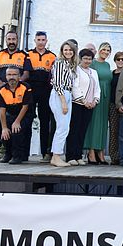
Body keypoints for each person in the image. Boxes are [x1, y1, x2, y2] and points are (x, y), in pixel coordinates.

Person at [0, 30, 31, 162]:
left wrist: (15, 84)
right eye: (9, 39)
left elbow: (26, 74)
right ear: (6, 40)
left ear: (17, 40)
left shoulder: (24, 55)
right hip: (2, 94)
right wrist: (3, 87)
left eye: (13, 39)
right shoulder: (0, 54)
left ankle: (16, 155)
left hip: (18, 95)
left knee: (17, 126)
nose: (11, 42)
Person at [65, 48, 100, 166]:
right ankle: (70, 156)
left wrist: (95, 100)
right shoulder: (76, 70)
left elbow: (97, 88)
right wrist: (84, 101)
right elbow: (75, 87)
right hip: (78, 104)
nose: (87, 61)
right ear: (80, 58)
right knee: (74, 130)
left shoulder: (94, 72)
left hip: (90, 106)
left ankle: (78, 156)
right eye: (85, 58)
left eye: (90, 59)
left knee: (82, 131)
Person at [26, 31, 56, 163]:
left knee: (45, 122)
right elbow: (25, 73)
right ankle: (24, 153)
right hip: (31, 91)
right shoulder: (28, 55)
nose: (41, 42)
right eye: (38, 40)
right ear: (35, 40)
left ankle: (45, 153)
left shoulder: (52, 56)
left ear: (46, 41)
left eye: (43, 40)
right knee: (27, 120)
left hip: (46, 91)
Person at [48, 40, 77, 168]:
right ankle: (56, 156)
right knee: (62, 127)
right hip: (60, 95)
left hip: (67, 93)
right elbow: (58, 84)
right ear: (62, 51)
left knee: (64, 127)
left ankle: (56, 156)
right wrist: (63, 102)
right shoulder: (59, 63)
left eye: (70, 50)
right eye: (65, 50)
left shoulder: (70, 65)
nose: (68, 52)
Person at [0, 66, 32, 165]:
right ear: (6, 76)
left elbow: (25, 107)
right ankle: (8, 154)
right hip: (10, 114)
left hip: (24, 114)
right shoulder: (1, 90)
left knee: (16, 130)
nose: (12, 77)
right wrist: (4, 128)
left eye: (14, 74)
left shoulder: (26, 87)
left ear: (19, 76)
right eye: (9, 75)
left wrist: (17, 122)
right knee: (5, 132)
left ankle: (17, 156)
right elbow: (1, 110)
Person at [84, 42, 112, 165]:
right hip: (95, 95)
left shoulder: (107, 64)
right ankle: (91, 151)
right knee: (94, 123)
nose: (105, 52)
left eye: (108, 50)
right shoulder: (93, 63)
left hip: (106, 96)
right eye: (103, 49)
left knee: (103, 124)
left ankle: (100, 151)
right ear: (99, 50)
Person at [108, 51, 123, 165]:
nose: (120, 61)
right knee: (114, 131)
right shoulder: (112, 74)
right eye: (118, 59)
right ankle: (114, 156)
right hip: (112, 105)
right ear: (115, 61)